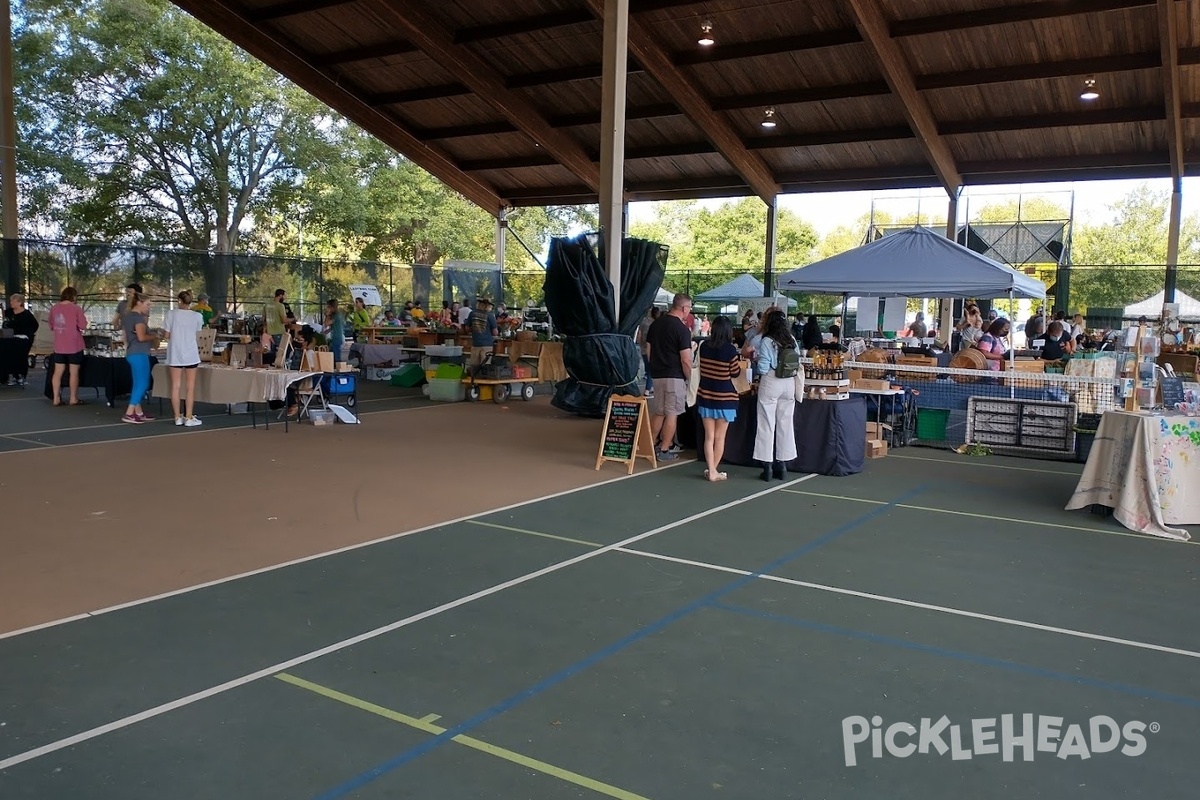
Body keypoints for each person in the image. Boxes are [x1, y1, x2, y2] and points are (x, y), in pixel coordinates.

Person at [645, 293, 693, 461]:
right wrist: (690, 379)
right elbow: (686, 360)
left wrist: (654, 368)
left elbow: (649, 351)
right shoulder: (682, 329)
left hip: (657, 375)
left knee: (659, 412)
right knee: (672, 413)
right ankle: (664, 450)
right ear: (684, 308)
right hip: (675, 376)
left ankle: (650, 444)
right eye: (690, 308)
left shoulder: (655, 325)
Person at [753, 310, 800, 482]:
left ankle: (767, 466)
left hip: (771, 381)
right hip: (789, 383)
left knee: (766, 423)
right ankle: (783, 464)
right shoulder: (792, 340)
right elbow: (798, 361)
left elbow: (763, 368)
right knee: (785, 423)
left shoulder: (767, 340)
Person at [696, 316, 741, 482]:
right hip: (725, 398)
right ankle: (713, 470)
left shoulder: (704, 347)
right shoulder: (730, 350)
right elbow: (735, 372)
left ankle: (712, 470)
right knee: (720, 437)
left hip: (706, 395)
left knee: (709, 437)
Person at [163, 290, 205, 427]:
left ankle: (177, 417)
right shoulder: (197, 316)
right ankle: (188, 416)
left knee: (175, 386)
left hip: (175, 353)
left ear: (178, 301)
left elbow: (166, 335)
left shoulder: (171, 314)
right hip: (191, 353)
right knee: (190, 387)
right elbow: (198, 333)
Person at [121, 292, 158, 423]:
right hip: (139, 353)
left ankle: (139, 412)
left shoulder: (127, 316)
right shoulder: (137, 318)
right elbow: (141, 337)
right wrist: (154, 336)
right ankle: (129, 413)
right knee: (143, 383)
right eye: (147, 304)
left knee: (137, 383)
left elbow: (126, 336)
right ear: (139, 303)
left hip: (132, 352)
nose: (149, 307)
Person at [49, 286, 88, 406]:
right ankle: (73, 398)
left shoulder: (54, 308)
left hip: (59, 345)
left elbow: (51, 326)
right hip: (74, 345)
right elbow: (83, 325)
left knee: (58, 371)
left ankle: (56, 398)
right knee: (74, 372)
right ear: (73, 296)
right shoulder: (76, 308)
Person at [4, 293, 38, 386]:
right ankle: (10, 375)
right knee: (7, 353)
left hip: (24, 338)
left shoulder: (27, 314)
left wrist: (28, 334)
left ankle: (20, 375)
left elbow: (35, 325)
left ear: (19, 303)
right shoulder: (8, 312)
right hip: (10, 337)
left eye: (13, 301)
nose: (11, 303)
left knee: (21, 355)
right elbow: (5, 323)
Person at [637, 307, 659, 398]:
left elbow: (639, 336)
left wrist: (641, 344)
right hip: (653, 349)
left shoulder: (643, 322)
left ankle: (651, 387)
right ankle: (647, 390)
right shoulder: (657, 323)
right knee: (651, 370)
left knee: (647, 369)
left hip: (643, 348)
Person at [324, 299, 345, 368]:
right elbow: (332, 326)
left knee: (336, 356)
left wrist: (327, 315)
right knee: (333, 355)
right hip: (335, 337)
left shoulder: (336, 315)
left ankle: (338, 369)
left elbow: (327, 323)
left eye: (329, 307)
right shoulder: (335, 315)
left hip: (336, 337)